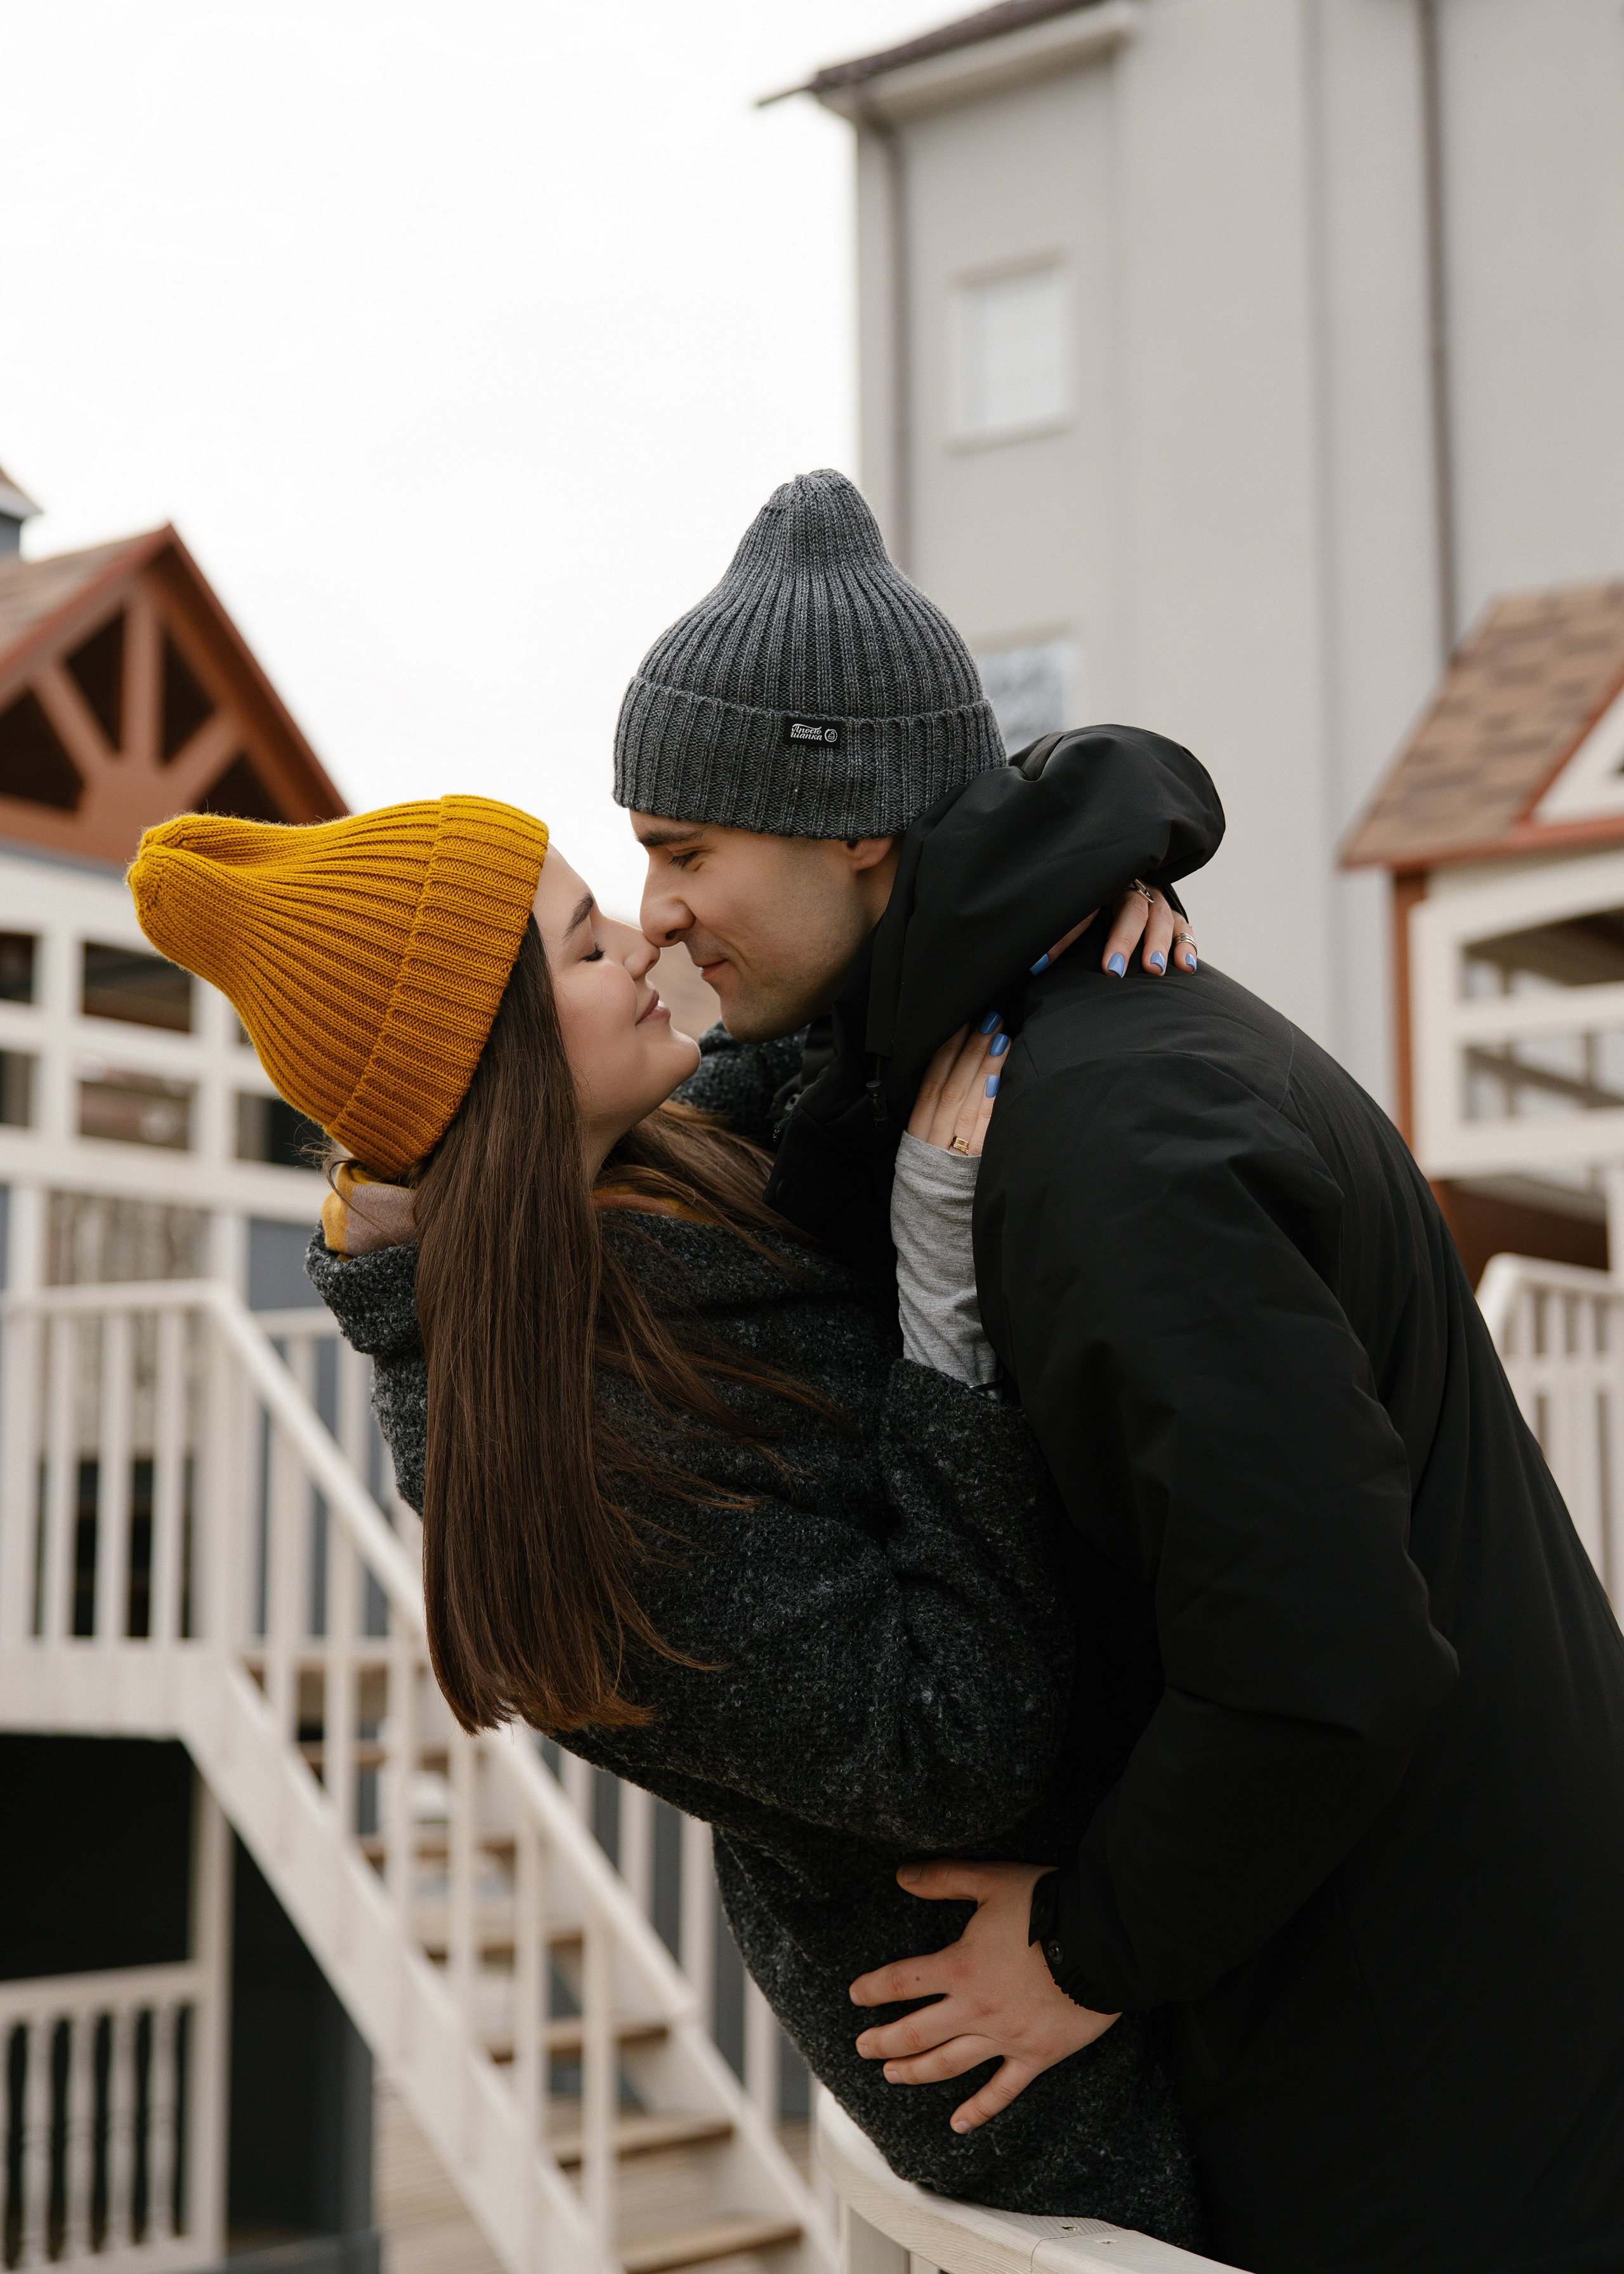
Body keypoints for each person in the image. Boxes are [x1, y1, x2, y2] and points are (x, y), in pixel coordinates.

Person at [613, 470, 1624, 2274]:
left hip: (1454, 2084)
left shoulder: (1106, 1136)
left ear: (853, 826)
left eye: (685, 849)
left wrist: (1083, 1948)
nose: (657, 907)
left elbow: (1323, 1658)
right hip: (1406, 2016)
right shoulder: (1000, 1050)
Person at [126, 793, 1212, 2248]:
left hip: (1150, 1933)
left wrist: (1077, 888)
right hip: (1048, 2078)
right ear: (491, 1063)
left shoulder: (649, 1150)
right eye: (584, 946)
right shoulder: (527, 1454)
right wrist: (941, 1308)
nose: (643, 942)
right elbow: (938, 1736)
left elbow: (853, 995)